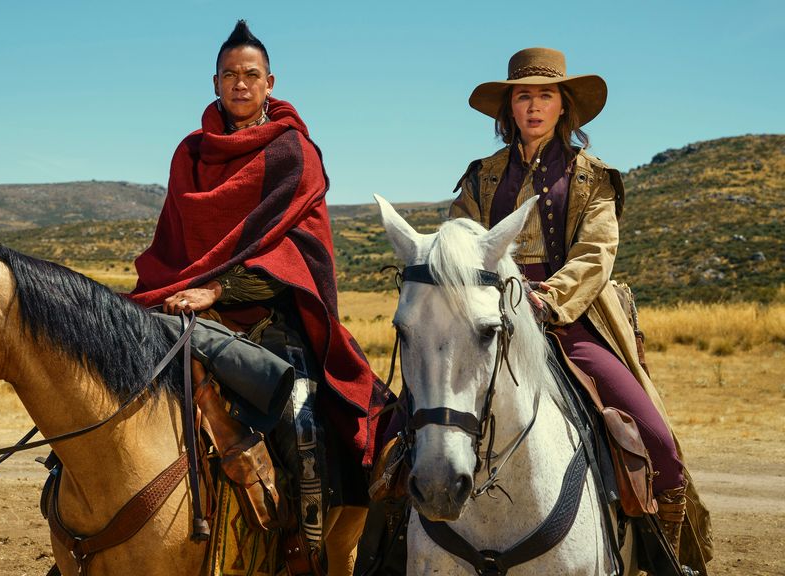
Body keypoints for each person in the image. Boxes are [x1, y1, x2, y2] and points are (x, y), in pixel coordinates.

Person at [129, 20, 391, 575]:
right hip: (187, 310)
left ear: (270, 82)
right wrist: (181, 290)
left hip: (271, 315)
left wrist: (220, 289)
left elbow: (299, 250)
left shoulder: (293, 151)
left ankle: (306, 549)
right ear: (215, 81)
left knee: (303, 423)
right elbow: (174, 239)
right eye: (230, 75)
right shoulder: (192, 154)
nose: (241, 84)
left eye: (251, 75)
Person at [449, 47, 712, 571]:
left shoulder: (594, 177)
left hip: (569, 321)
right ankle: (386, 548)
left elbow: (596, 254)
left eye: (545, 95)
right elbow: (458, 242)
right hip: (489, 320)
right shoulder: (480, 178)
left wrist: (547, 300)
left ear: (563, 106)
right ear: (509, 108)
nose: (533, 106)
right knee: (405, 431)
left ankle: (668, 560)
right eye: (523, 96)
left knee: (655, 440)